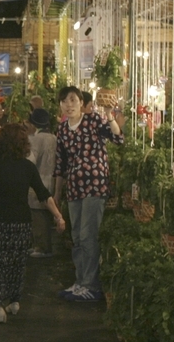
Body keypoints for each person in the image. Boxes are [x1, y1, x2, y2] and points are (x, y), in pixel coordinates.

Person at [0, 124, 64, 323]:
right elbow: (44, 194)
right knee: (17, 263)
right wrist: (58, 216)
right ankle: (14, 301)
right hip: (21, 222)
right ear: (23, 144)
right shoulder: (27, 167)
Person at [53, 86, 124, 302]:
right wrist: (57, 192)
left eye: (73, 100)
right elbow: (60, 163)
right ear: (60, 105)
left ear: (81, 102)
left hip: (94, 185)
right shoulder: (63, 129)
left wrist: (109, 115)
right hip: (74, 187)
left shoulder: (93, 120)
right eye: (64, 101)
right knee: (76, 236)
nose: (69, 105)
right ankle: (80, 281)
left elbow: (117, 138)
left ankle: (91, 285)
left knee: (88, 235)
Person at [26, 108, 58, 258]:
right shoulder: (53, 138)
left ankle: (41, 247)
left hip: (37, 180)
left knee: (37, 214)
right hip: (51, 179)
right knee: (46, 213)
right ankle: (42, 246)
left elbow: (30, 161)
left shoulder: (36, 139)